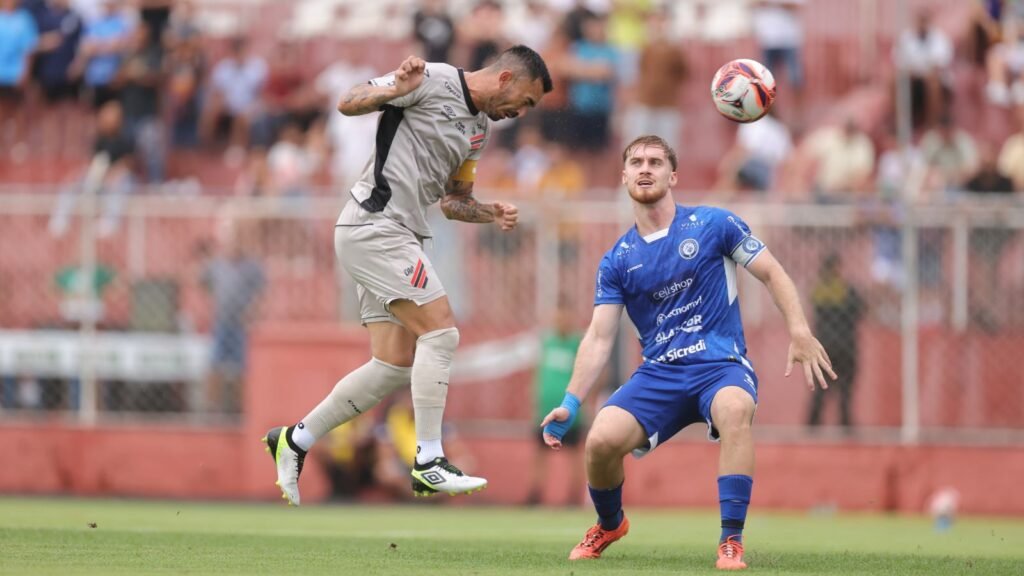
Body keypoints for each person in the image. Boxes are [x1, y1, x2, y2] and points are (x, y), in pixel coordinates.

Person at [263, 46, 552, 505]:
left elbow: (454, 201)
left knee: (392, 366)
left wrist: (489, 212)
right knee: (442, 334)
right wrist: (394, 90)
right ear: (505, 79)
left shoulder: (478, 130)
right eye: (526, 100)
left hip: (398, 235)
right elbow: (348, 100)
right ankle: (429, 460)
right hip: (375, 225)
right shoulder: (430, 79)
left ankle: (295, 439)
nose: (521, 113)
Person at [540, 135, 835, 570]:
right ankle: (610, 523)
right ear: (623, 176)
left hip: (720, 365)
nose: (645, 168)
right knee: (600, 440)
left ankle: (730, 540)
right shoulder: (617, 261)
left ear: (672, 175)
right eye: (636, 162)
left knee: (735, 409)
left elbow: (771, 272)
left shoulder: (715, 224)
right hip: (659, 374)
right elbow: (600, 336)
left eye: (656, 162)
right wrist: (570, 401)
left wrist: (799, 329)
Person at [525, 302, 585, 506]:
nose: (561, 322)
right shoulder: (546, 343)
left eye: (565, 317)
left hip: (570, 412)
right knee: (540, 454)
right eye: (558, 317)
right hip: (545, 410)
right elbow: (538, 374)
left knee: (574, 454)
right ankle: (535, 495)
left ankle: (574, 497)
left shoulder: (579, 344)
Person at [806, 253, 864, 431]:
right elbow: (859, 310)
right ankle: (844, 423)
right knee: (845, 389)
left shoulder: (818, 291)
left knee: (821, 389)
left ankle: (813, 424)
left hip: (824, 345)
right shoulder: (847, 290)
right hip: (845, 345)